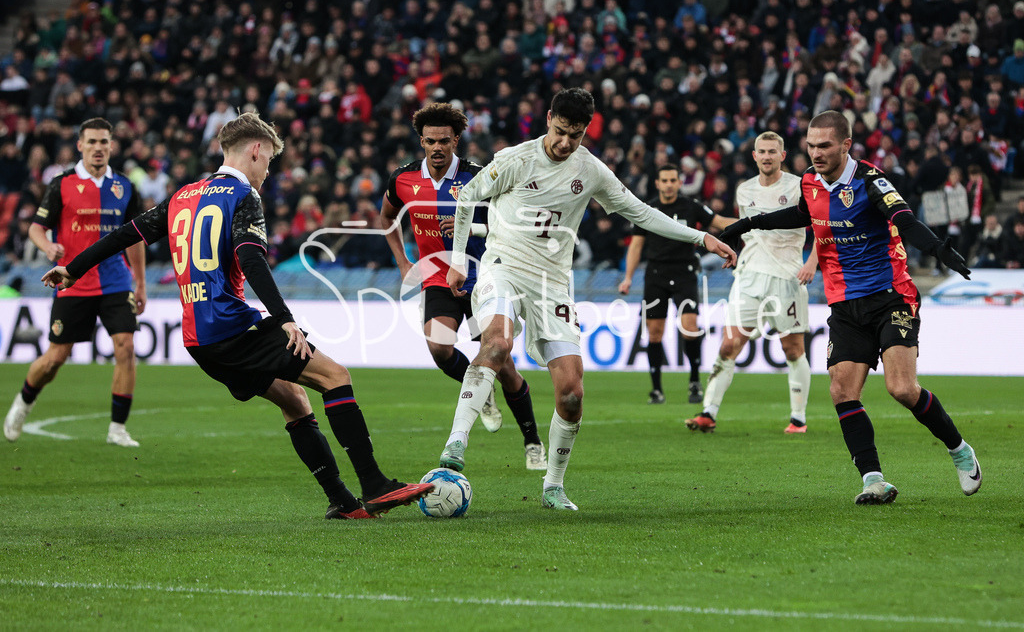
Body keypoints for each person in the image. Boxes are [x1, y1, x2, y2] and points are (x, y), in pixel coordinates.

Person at [39, 112, 432, 519]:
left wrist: (73, 267)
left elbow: (126, 234)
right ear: (256, 150)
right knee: (335, 376)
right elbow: (251, 257)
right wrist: (284, 318)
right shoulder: (243, 196)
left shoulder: (182, 196)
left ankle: (342, 502)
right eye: (268, 162)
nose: (266, 172)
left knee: (295, 399)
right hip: (233, 327)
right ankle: (375, 485)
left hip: (199, 340)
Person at [438, 88, 736, 510]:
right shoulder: (514, 159)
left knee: (572, 393)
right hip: (501, 266)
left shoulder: (591, 171)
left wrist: (702, 237)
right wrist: (456, 262)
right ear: (548, 119)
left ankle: (553, 486)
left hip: (553, 284)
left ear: (584, 132)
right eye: (560, 132)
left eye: (574, 136)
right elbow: (466, 198)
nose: (564, 143)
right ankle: (456, 444)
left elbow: (640, 212)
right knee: (498, 342)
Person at [719, 110, 981, 505]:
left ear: (846, 145)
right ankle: (874, 480)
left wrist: (939, 250)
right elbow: (800, 214)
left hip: (891, 296)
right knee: (842, 390)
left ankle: (959, 449)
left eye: (824, 145)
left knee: (901, 389)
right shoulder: (809, 181)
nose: (816, 152)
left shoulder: (870, 180)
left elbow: (905, 220)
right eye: (811, 145)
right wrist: (746, 225)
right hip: (844, 303)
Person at [380, 101, 546, 471]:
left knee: (504, 367)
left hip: (485, 277)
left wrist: (480, 230)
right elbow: (387, 217)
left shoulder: (479, 176)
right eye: (429, 141)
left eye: (444, 140)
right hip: (439, 277)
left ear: (456, 140)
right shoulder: (403, 179)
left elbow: (508, 219)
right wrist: (404, 260)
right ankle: (482, 394)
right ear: (420, 142)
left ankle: (532, 440)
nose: (437, 147)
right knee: (439, 346)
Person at [4, 118, 147, 447]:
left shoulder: (125, 187)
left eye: (104, 142)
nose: (98, 148)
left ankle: (118, 428)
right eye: (92, 142)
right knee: (55, 358)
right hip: (73, 282)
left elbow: (135, 238)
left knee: (125, 347)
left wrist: (139, 282)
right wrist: (48, 247)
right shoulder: (62, 184)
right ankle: (23, 403)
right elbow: (36, 228)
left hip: (116, 280)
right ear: (80, 145)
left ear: (112, 146)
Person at [685, 132, 817, 434]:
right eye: (762, 151)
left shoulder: (799, 186)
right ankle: (708, 412)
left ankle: (798, 418)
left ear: (783, 155)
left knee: (793, 350)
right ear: (754, 156)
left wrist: (812, 262)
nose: (767, 156)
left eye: (773, 151)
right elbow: (747, 231)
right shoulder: (744, 190)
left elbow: (823, 225)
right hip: (748, 276)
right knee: (730, 344)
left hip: (788, 276)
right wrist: (732, 249)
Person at [617, 164, 735, 405]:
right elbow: (636, 245)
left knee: (689, 327)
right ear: (657, 183)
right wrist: (628, 277)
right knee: (655, 332)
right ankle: (657, 389)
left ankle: (694, 380)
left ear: (679, 183)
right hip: (656, 275)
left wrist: (753, 223)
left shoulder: (690, 206)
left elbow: (719, 221)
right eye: (665, 180)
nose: (669, 184)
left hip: (685, 273)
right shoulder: (646, 209)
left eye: (673, 180)